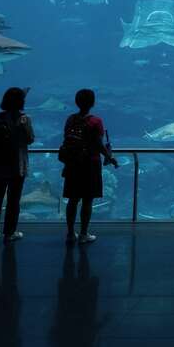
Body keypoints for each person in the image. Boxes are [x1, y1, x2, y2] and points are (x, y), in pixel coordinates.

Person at [61, 89, 116, 245]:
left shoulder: (70, 119)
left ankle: (70, 233)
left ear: (76, 101)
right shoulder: (96, 121)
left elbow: (66, 139)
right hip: (90, 164)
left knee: (72, 200)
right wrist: (109, 157)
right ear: (92, 103)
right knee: (87, 201)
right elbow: (98, 144)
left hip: (72, 164)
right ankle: (84, 234)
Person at [0, 87, 35, 244]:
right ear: (21, 102)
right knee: (14, 199)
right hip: (17, 164)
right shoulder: (24, 119)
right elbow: (30, 139)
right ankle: (9, 233)